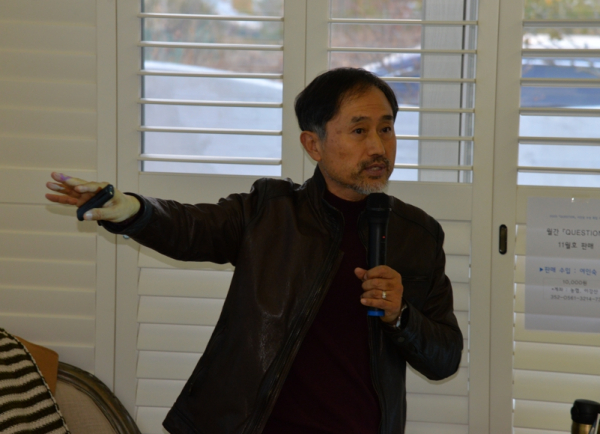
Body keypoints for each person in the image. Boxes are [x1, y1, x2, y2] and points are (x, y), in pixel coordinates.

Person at [46, 67, 463, 434]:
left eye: (386, 129)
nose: (378, 147)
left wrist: (401, 315)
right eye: (359, 131)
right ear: (313, 145)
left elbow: (444, 357)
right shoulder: (271, 211)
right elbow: (192, 227)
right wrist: (134, 211)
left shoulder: (418, 235)